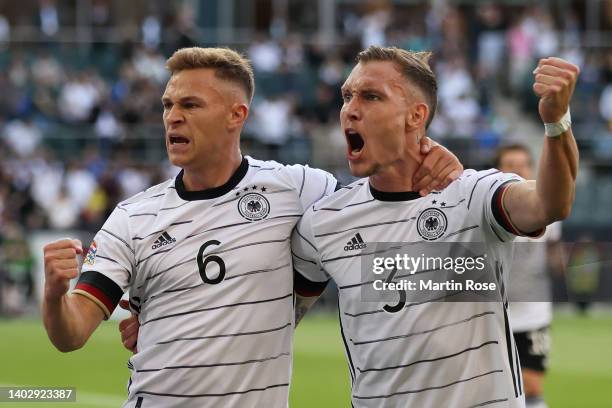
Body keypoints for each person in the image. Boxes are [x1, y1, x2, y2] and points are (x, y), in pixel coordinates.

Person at [42, 47, 462, 408]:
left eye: (190, 105)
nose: (173, 117)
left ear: (236, 115)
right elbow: (71, 333)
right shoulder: (133, 217)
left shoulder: (298, 188)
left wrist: (430, 155)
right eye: (168, 105)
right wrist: (55, 292)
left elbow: (377, 202)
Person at [291, 46, 579, 407]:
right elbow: (274, 320)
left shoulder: (472, 195)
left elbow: (550, 203)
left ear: (416, 115)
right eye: (347, 96)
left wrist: (556, 122)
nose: (350, 109)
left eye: (371, 96)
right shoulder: (325, 221)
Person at [497, 144, 562, 408]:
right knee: (496, 387)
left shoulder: (547, 209)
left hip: (534, 312)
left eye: (522, 164)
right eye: (509, 164)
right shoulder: (482, 211)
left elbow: (555, 259)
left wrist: (566, 263)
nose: (516, 169)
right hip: (495, 314)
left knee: (531, 385)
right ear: (497, 170)